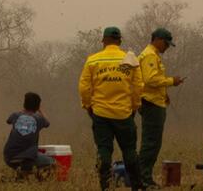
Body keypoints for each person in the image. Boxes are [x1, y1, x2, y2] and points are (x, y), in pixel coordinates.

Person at [79, 26, 144, 191]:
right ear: (120, 41)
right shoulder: (130, 60)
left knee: (104, 149)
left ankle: (105, 185)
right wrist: (134, 106)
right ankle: (137, 186)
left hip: (100, 114)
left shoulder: (93, 60)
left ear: (103, 41)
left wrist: (88, 105)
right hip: (124, 114)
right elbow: (138, 87)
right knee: (129, 150)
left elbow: (84, 87)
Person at [137, 28, 185, 188]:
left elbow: (152, 81)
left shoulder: (153, 55)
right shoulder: (150, 55)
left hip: (156, 101)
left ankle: (144, 177)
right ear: (157, 39)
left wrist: (164, 94)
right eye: (166, 43)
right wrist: (171, 81)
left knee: (153, 143)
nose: (167, 47)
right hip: (151, 104)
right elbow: (150, 79)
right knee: (151, 143)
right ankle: (143, 179)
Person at [3, 92, 52, 175]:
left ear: (24, 104)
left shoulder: (15, 115)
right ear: (38, 106)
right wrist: (39, 111)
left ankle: (20, 176)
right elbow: (47, 123)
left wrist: (23, 112)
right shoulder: (39, 119)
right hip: (26, 158)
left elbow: (8, 121)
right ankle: (38, 183)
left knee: (27, 167)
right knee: (52, 163)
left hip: (8, 157)